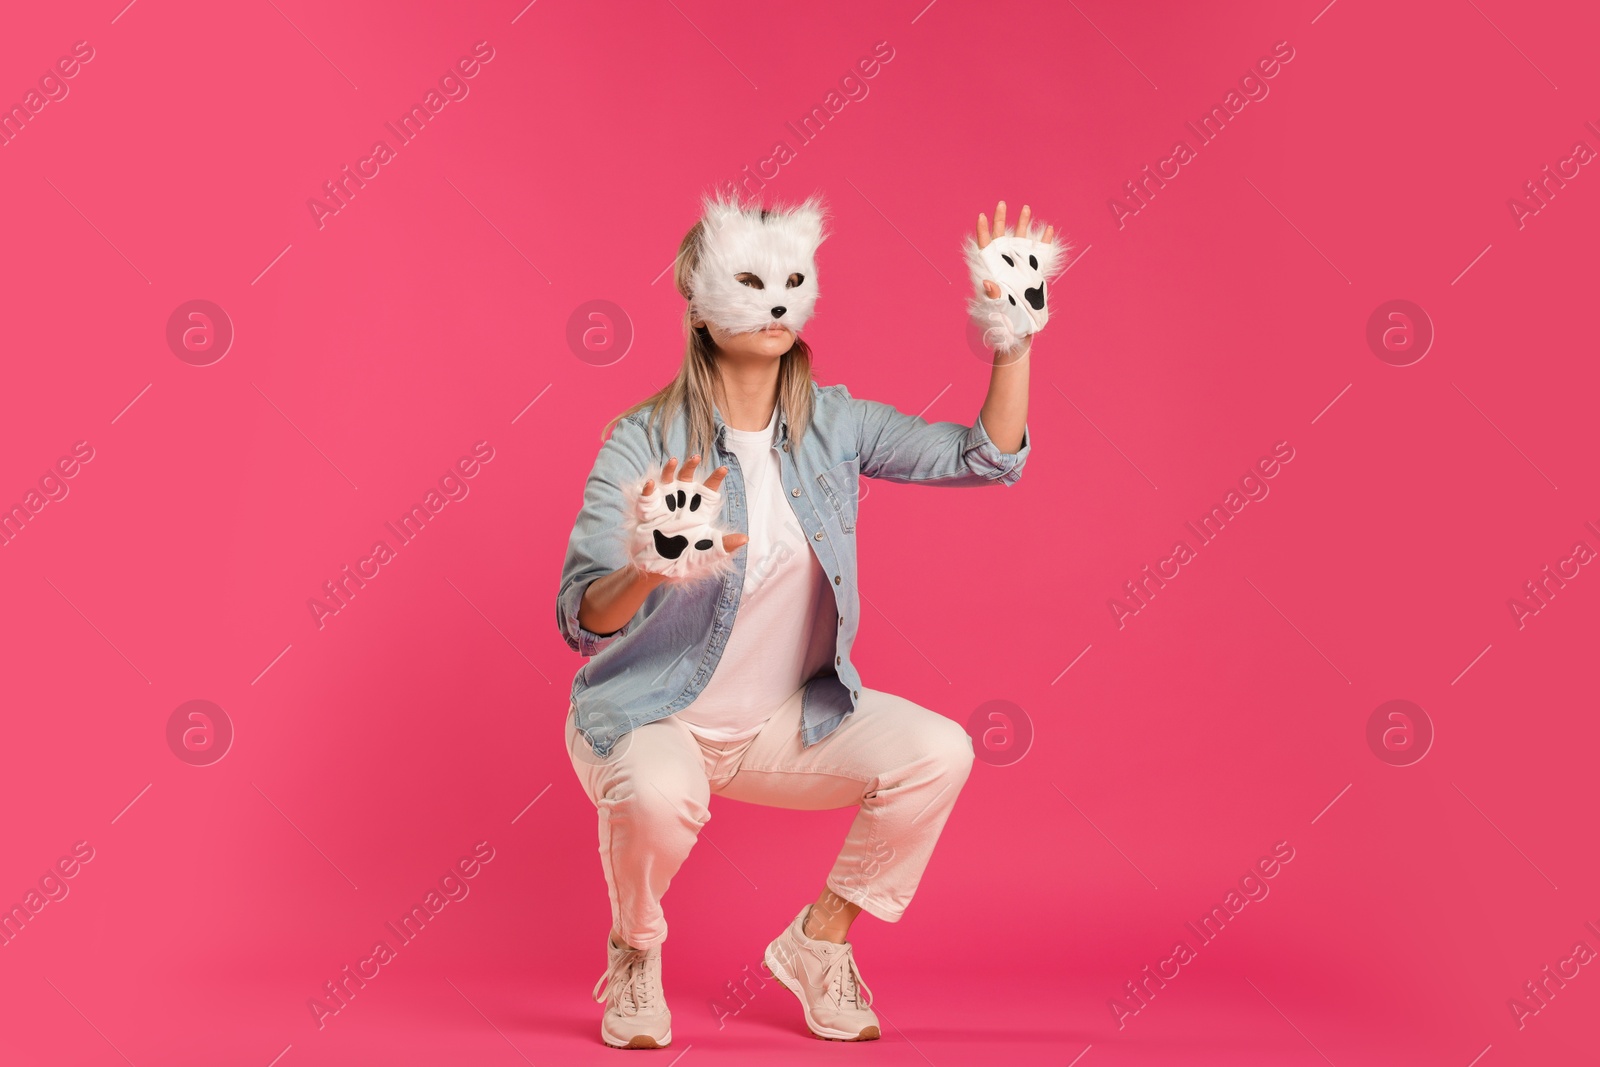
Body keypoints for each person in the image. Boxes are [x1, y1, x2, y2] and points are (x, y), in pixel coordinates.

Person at [556, 191, 1065, 1048]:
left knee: (940, 751)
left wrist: (1010, 337)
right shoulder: (640, 440)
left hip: (781, 723)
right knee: (655, 793)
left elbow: (985, 457)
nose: (776, 301)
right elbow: (582, 616)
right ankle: (635, 950)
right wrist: (648, 565)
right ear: (701, 301)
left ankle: (817, 942)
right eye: (751, 282)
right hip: (653, 713)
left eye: (792, 281)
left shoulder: (835, 424)